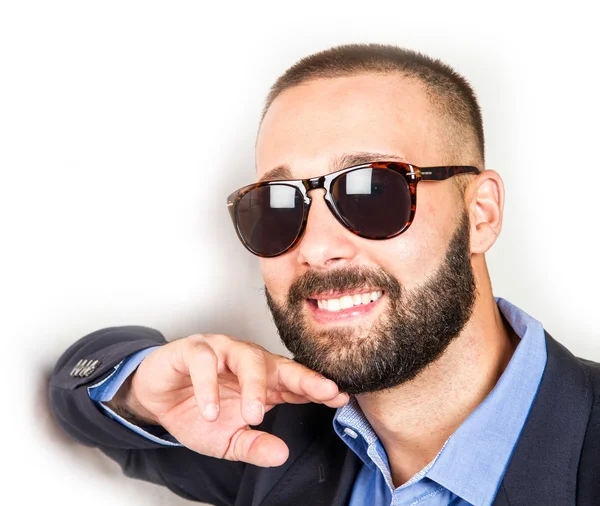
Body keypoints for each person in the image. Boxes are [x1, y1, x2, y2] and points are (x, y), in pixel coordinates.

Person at [48, 44, 600, 506]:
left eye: (373, 191)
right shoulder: (269, 439)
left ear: (481, 214)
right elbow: (76, 389)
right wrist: (143, 389)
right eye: (278, 205)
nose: (316, 248)